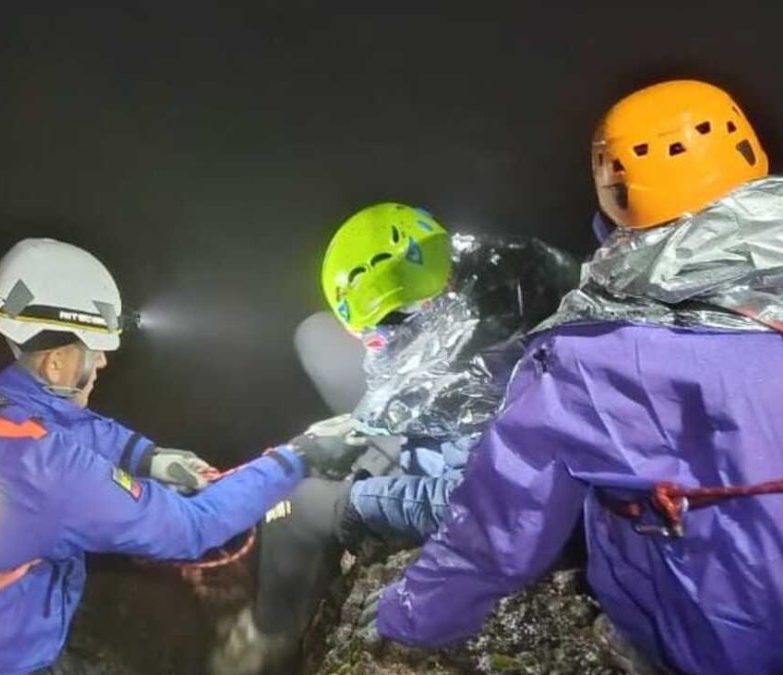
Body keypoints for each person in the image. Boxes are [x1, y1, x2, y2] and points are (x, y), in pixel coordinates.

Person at [358, 79, 783, 675]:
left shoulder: (583, 359)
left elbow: (499, 531)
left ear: (615, 193)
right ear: (747, 151)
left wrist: (407, 618)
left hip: (716, 649)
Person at [0, 238, 346, 675]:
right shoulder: (49, 470)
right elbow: (192, 527)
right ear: (55, 363)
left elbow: (66, 424)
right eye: (95, 351)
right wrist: (297, 458)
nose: (103, 363)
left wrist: (149, 458)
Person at [210, 205, 578, 674]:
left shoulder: (485, 381)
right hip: (447, 428)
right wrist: (365, 428)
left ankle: (269, 635)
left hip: (482, 488)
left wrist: (358, 500)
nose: (370, 344)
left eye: (376, 335)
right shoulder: (499, 274)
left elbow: (478, 504)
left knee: (292, 505)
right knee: (315, 335)